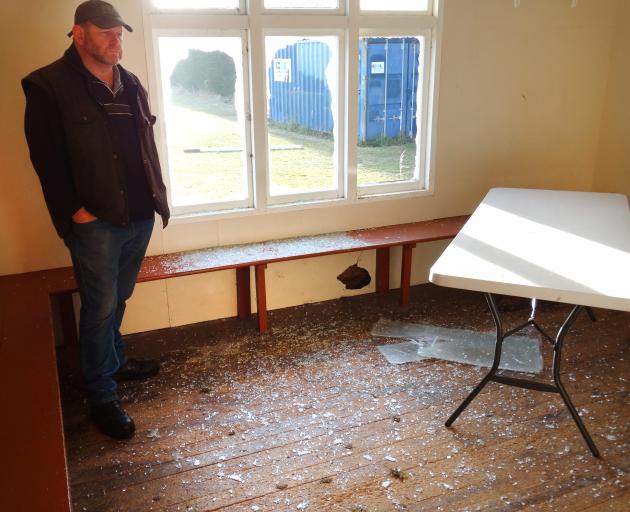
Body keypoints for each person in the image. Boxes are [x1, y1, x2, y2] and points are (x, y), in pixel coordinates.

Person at [22, 0, 170, 439]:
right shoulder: (48, 85)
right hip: (96, 222)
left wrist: (157, 198)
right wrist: (76, 212)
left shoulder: (131, 84)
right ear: (78, 34)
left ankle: (115, 361)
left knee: (117, 298)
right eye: (104, 32)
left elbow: (144, 147)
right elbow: (45, 159)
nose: (114, 40)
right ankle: (102, 395)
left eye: (119, 33)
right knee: (100, 306)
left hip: (140, 215)